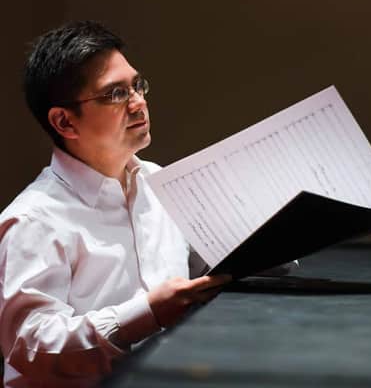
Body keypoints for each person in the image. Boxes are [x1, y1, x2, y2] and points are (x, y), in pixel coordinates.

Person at [0, 20, 296, 387]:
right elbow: (32, 348)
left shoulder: (160, 181)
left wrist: (282, 228)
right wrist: (148, 313)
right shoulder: (32, 220)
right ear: (65, 122)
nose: (139, 103)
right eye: (115, 94)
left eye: (137, 86)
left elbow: (216, 260)